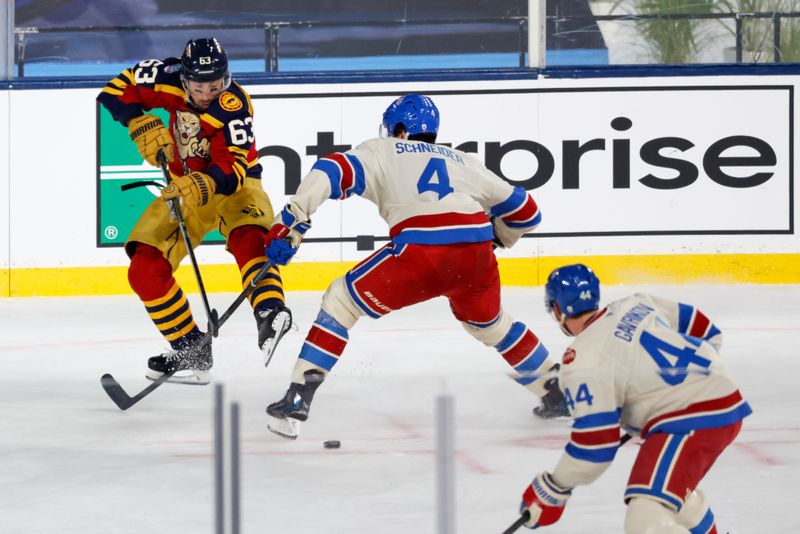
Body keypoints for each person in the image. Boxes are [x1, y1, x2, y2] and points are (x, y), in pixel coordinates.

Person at [260, 93, 567, 439]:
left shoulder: (382, 150)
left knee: (340, 301)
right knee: (492, 325)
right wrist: (498, 237)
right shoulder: (463, 160)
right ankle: (556, 391)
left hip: (422, 252)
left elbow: (331, 170)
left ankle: (299, 397)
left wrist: (292, 222)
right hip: (477, 257)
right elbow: (528, 212)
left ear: (401, 130)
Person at [96, 37, 291, 384]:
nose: (207, 95)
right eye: (199, 87)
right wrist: (138, 120)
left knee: (250, 237)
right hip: (182, 190)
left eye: (215, 86)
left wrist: (203, 183)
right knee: (144, 268)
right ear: (184, 79)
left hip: (234, 186)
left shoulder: (234, 105)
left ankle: (269, 311)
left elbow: (233, 169)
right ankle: (192, 349)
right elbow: (114, 90)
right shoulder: (166, 78)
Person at [517, 264, 752, 533]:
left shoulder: (581, 359)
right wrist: (703, 377)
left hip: (689, 419)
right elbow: (704, 328)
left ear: (557, 309)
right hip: (721, 401)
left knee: (646, 520)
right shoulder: (636, 303)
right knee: (669, 494)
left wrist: (553, 488)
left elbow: (595, 447)